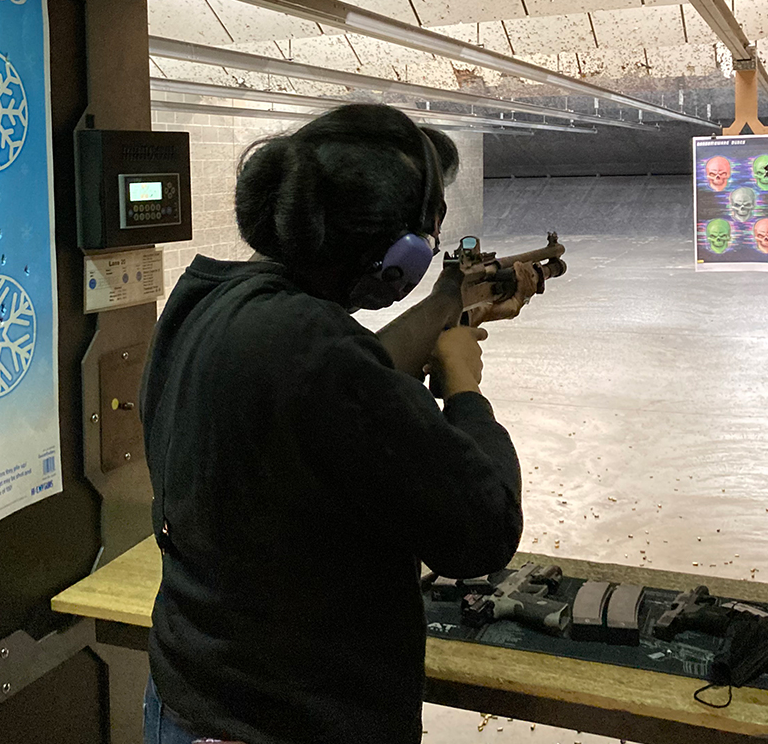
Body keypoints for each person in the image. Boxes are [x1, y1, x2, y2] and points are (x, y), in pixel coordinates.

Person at [140, 104, 535, 744]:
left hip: (188, 696)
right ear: (400, 255)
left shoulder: (207, 299)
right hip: (288, 720)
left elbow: (341, 374)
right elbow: (483, 532)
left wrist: (447, 307)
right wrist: (463, 387)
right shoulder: (319, 355)